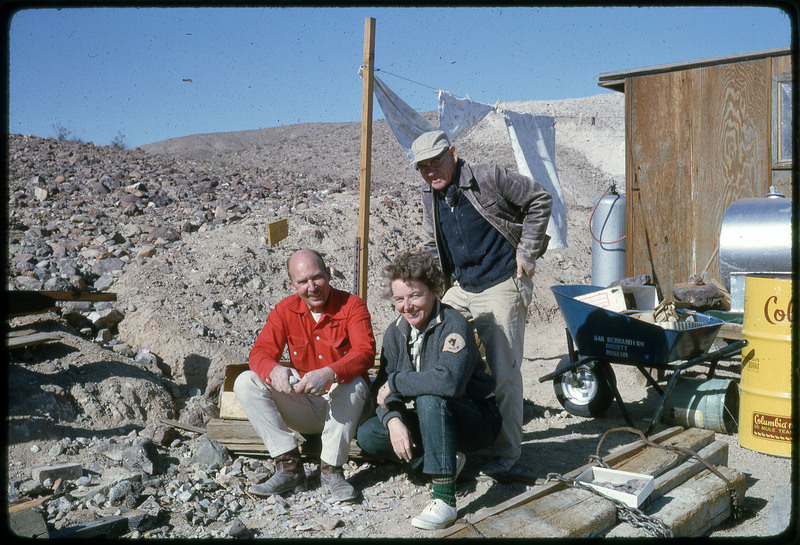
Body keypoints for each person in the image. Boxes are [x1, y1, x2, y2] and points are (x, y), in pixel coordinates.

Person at [411, 129, 553, 479]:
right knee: (435, 353)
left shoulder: (489, 176)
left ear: (453, 154)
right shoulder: (430, 196)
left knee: (504, 373)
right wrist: (431, 291)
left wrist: (527, 253)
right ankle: (456, 439)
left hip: (501, 282)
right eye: (423, 167)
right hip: (461, 287)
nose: (432, 171)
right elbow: (433, 244)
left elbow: (540, 199)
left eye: (436, 161)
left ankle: (507, 455)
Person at [357, 251, 502, 530]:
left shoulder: (453, 325)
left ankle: (445, 499)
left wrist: (397, 382)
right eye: (399, 299)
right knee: (369, 433)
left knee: (430, 397)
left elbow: (447, 383)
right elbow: (382, 391)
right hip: (435, 417)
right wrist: (394, 420)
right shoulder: (396, 332)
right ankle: (446, 462)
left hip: (476, 418)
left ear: (434, 291)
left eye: (415, 296)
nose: (407, 306)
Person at [234, 249, 376, 502]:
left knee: (353, 383)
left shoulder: (353, 305)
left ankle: (331, 471)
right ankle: (289, 467)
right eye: (302, 282)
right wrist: (274, 369)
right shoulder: (284, 310)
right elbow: (259, 353)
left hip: (349, 407)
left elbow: (365, 352)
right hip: (308, 405)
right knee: (246, 381)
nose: (312, 287)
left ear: (329, 274)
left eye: (317, 277)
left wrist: (331, 373)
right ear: (293, 285)